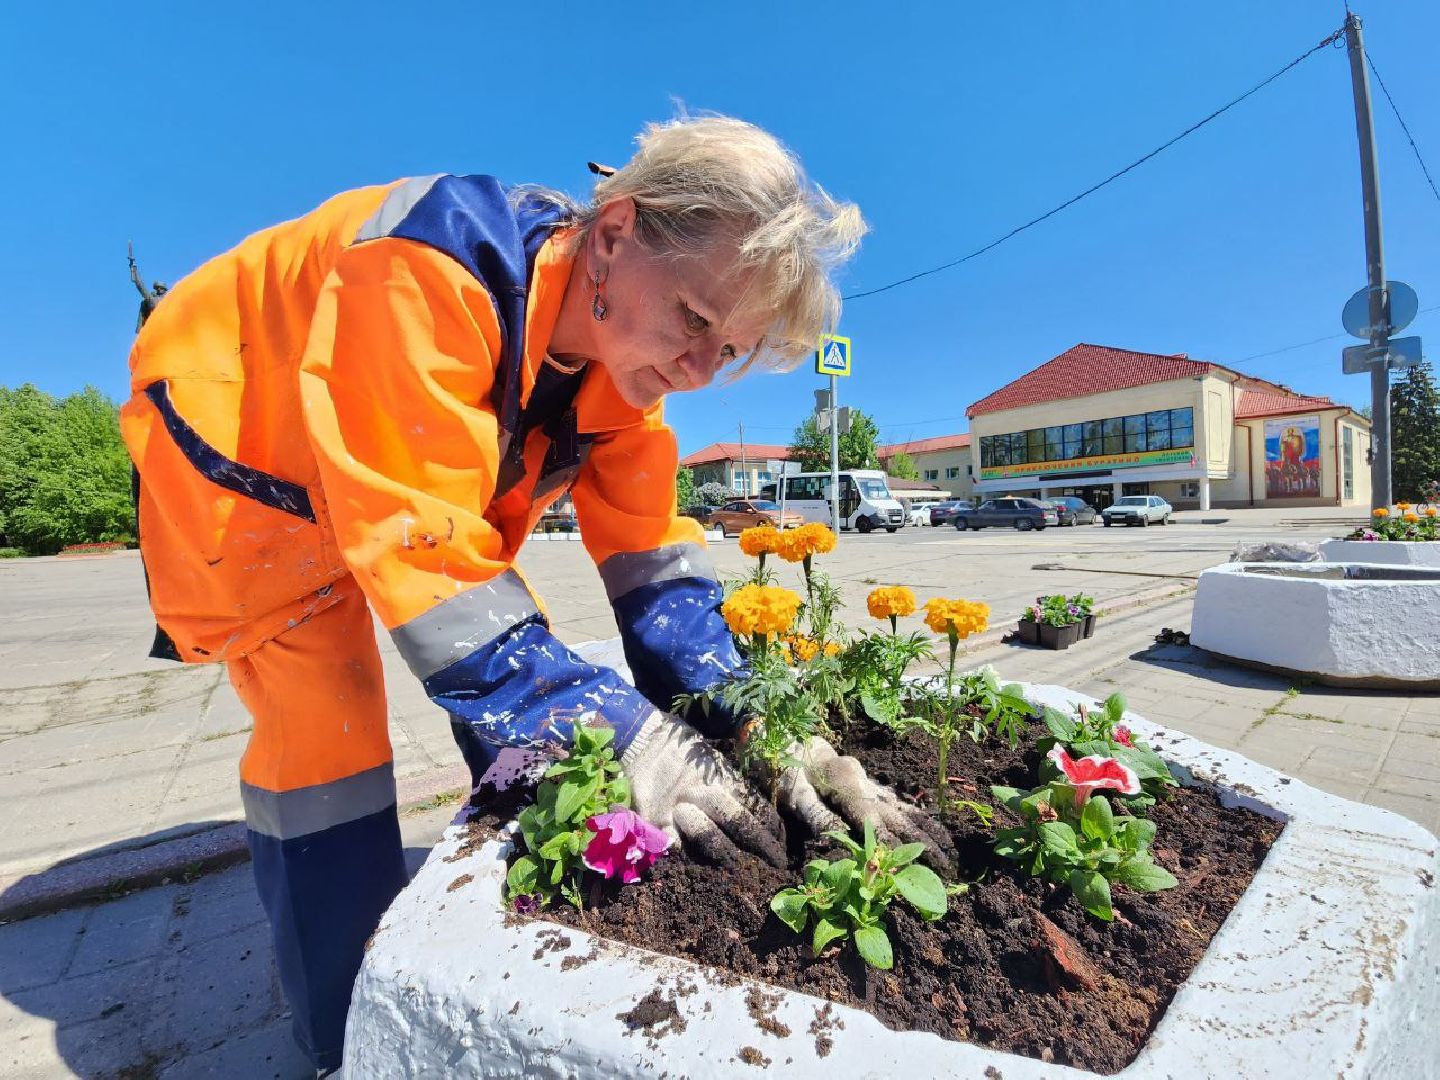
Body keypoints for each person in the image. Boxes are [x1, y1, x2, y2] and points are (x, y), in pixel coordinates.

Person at [121, 115, 945, 1071]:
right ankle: (345, 1036)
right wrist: (638, 739)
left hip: (402, 481)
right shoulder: (429, 266)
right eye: (694, 319)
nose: (697, 370)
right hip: (249, 457)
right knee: (327, 731)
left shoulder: (619, 362)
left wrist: (763, 721)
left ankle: (515, 934)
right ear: (612, 235)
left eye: (728, 352)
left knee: (533, 689)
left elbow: (654, 563)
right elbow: (427, 558)